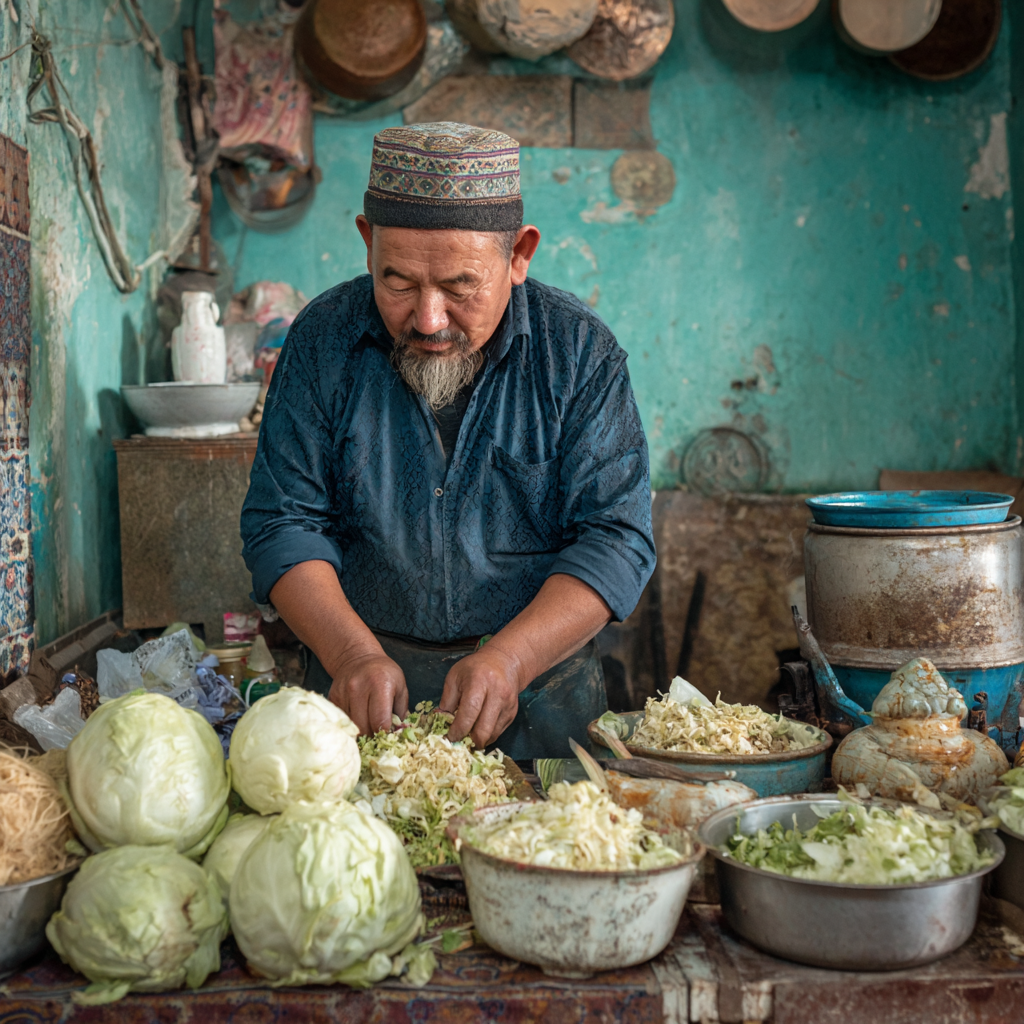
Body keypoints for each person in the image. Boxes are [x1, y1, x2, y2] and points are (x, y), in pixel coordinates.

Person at [241, 121, 655, 759]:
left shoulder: (578, 353)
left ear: (518, 254)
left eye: (461, 287)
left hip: (540, 697)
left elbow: (616, 539)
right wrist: (352, 654)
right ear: (366, 242)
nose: (428, 320)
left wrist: (511, 660)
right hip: (360, 697)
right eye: (398, 283)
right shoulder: (322, 341)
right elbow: (282, 521)